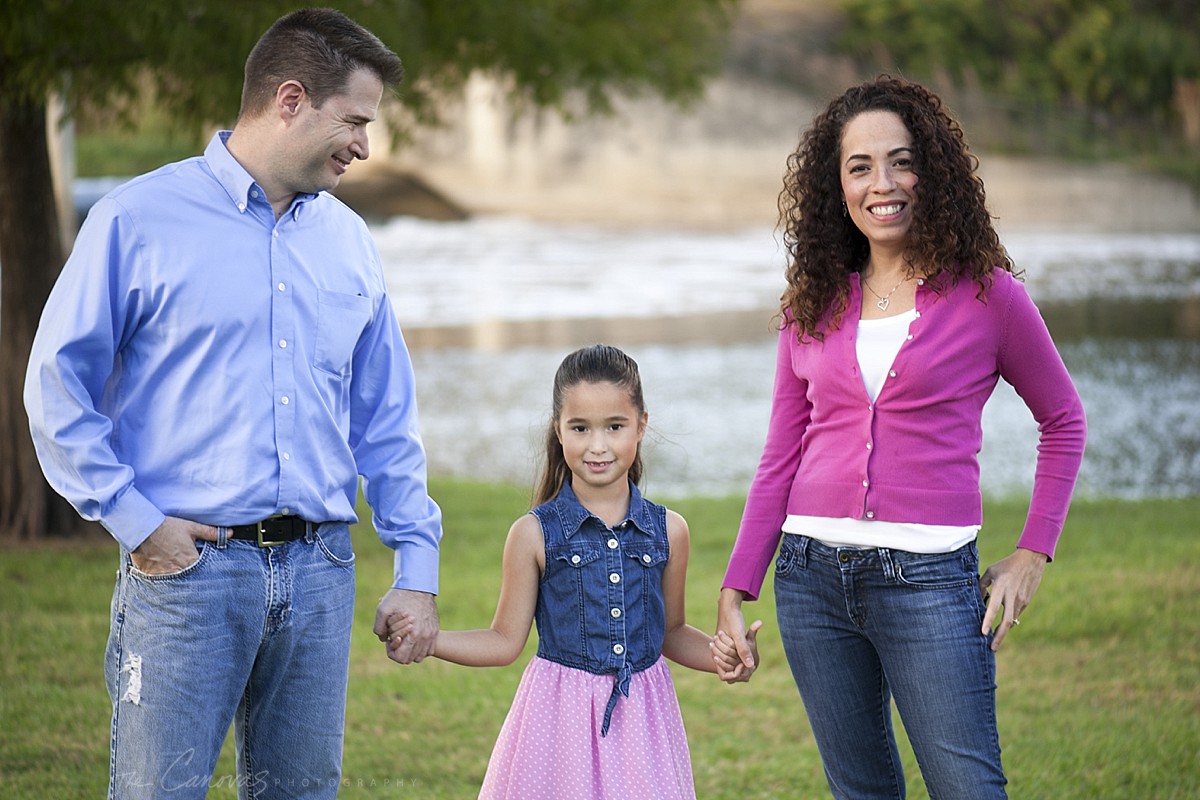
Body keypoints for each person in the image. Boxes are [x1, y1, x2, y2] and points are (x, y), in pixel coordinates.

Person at [24, 9, 442, 798]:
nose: (364, 144)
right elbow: (56, 386)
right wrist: (136, 523)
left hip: (321, 578)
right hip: (188, 577)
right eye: (354, 120)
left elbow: (386, 422)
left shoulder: (349, 240)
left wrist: (416, 565)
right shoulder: (134, 220)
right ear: (290, 99)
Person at [712, 75, 1087, 799]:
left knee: (966, 786)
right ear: (837, 187)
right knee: (861, 792)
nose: (881, 183)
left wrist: (1034, 552)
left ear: (934, 171)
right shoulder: (812, 302)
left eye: (901, 160)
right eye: (859, 167)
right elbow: (781, 453)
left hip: (930, 583)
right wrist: (738, 583)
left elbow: (1063, 419)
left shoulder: (989, 297)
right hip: (810, 581)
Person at [388, 344, 761, 799]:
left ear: (641, 425)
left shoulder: (670, 531)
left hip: (642, 724)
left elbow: (672, 632)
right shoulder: (532, 535)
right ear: (558, 430)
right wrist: (429, 640)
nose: (597, 446)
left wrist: (725, 657)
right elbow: (505, 642)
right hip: (557, 724)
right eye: (580, 428)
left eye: (615, 427)